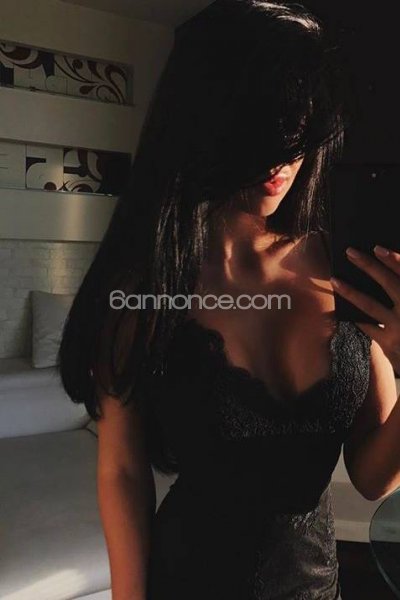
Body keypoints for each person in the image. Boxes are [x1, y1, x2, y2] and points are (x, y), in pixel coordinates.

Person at [58, 1, 400, 599]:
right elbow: (123, 469)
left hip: (317, 588)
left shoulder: (347, 265)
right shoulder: (148, 285)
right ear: (207, 116)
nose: (286, 148)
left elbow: (374, 479)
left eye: (304, 117)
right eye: (264, 117)